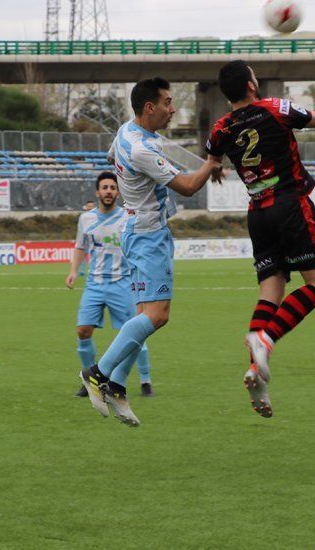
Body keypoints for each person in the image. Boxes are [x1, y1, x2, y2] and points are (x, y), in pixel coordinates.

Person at [205, 60, 315, 418]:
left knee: (270, 292)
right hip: (289, 205)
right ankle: (267, 339)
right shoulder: (274, 108)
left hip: (257, 213)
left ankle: (257, 370)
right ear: (252, 85)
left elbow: (212, 159)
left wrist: (217, 169)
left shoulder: (221, 127)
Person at [80, 77, 223, 427]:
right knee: (157, 316)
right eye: (168, 102)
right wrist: (211, 161)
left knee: (142, 316)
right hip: (148, 234)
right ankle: (97, 373)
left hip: (134, 229)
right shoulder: (142, 149)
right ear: (150, 107)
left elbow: (113, 156)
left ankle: (115, 385)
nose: (172, 109)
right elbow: (188, 187)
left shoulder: (126, 133)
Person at [67, 172, 152, 398]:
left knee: (136, 332)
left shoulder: (127, 218)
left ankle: (145, 380)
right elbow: (80, 247)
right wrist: (74, 271)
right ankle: (91, 380)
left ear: (118, 192)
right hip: (94, 284)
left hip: (122, 283)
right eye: (104, 187)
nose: (108, 191)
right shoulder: (85, 219)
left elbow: (138, 248)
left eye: (112, 188)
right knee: (83, 331)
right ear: (97, 192)